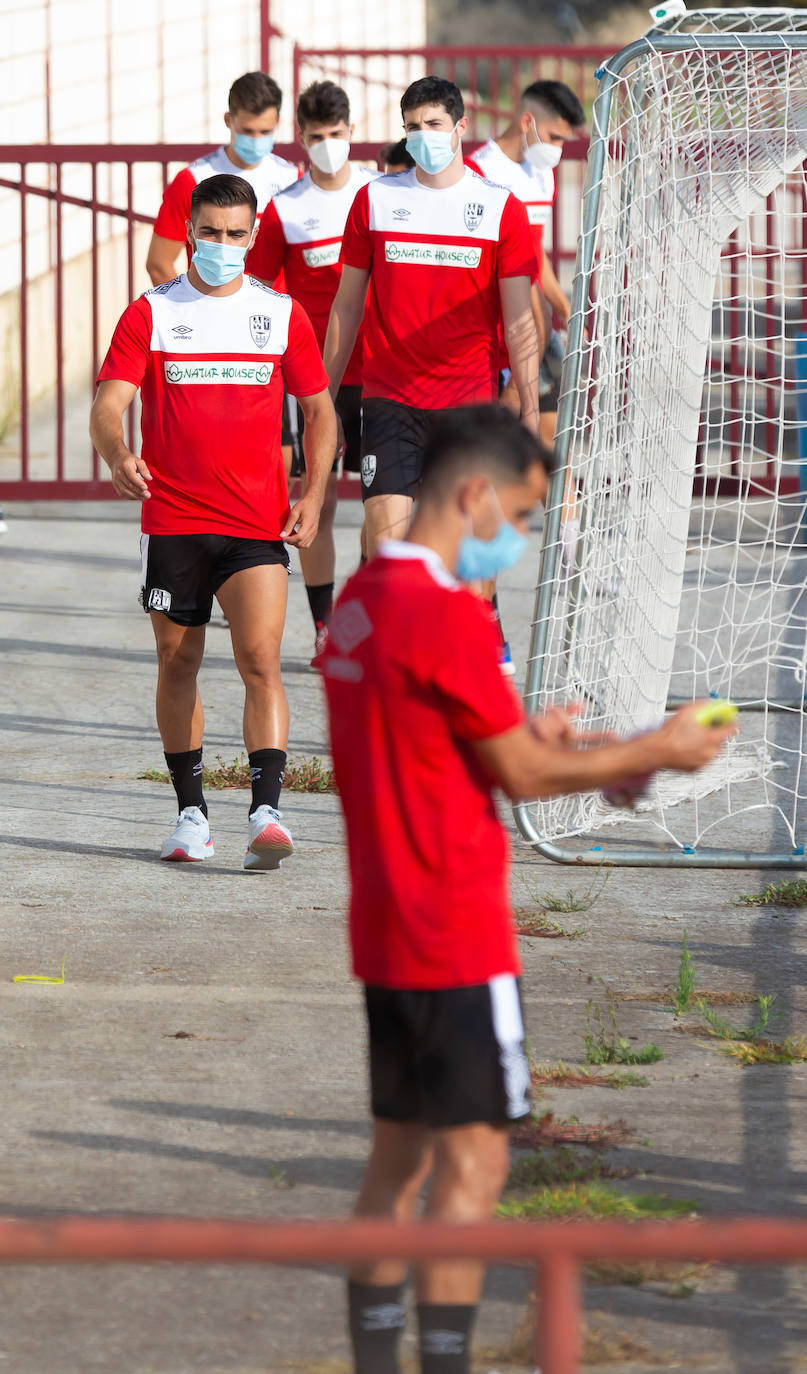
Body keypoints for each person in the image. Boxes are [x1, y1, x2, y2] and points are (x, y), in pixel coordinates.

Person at [320, 404, 736, 1374]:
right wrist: (658, 749)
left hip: (386, 922)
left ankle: (381, 1361)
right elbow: (521, 775)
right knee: (474, 1164)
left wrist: (572, 746)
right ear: (473, 495)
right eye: (519, 514)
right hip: (455, 926)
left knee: (397, 1163)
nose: (518, 540)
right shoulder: (447, 615)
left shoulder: (365, 600)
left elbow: (446, 740)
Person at [91, 173, 336, 868]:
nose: (221, 246)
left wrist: (313, 495)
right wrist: (118, 452)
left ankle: (267, 810)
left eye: (235, 235)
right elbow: (109, 404)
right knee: (178, 663)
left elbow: (319, 412)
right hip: (172, 519)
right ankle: (190, 814)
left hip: (256, 524)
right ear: (189, 232)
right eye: (209, 233)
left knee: (260, 659)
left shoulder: (280, 313)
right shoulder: (152, 312)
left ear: (253, 237)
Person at [323, 76, 541, 561]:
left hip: (467, 406)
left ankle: (479, 635)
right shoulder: (374, 201)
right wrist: (324, 401)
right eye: (412, 127)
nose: (423, 135)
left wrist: (528, 406)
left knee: (465, 560)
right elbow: (347, 306)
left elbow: (520, 320)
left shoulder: (500, 208)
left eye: (434, 123)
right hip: (390, 400)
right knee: (389, 550)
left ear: (461, 125)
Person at [247, 80, 377, 660]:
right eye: (316, 137)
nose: (328, 145)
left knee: (386, 507)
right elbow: (252, 290)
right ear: (300, 140)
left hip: (381, 375)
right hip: (316, 384)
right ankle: (326, 630)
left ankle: (367, 620)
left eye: (336, 135)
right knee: (315, 506)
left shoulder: (380, 193)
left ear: (352, 132)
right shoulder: (285, 209)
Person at [466, 80, 586, 449]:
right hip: (498, 342)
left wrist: (561, 303)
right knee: (492, 453)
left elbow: (534, 253)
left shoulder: (541, 172)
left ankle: (564, 511)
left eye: (563, 140)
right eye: (553, 137)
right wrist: (533, 326)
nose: (558, 149)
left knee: (550, 448)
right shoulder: (478, 173)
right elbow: (499, 268)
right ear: (526, 121)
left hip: (536, 330)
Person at [145, 72, 298, 287]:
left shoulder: (293, 180)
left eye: (265, 131)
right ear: (229, 120)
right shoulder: (191, 180)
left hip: (271, 316)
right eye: (247, 131)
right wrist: (190, 311)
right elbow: (158, 263)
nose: (256, 139)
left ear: (278, 122)